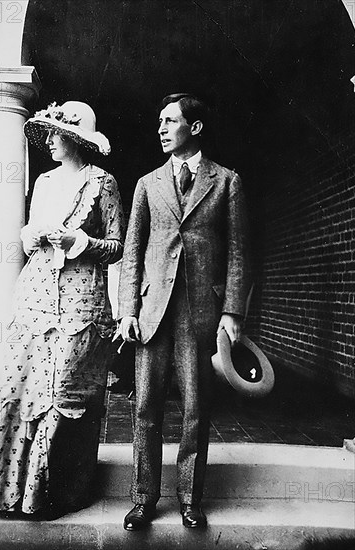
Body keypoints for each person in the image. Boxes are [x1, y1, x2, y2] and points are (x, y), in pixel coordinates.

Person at [0, 101, 124, 519]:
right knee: (17, 385)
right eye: (49, 133)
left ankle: (50, 497)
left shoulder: (102, 183)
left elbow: (118, 246)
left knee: (61, 393)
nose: (50, 141)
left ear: (74, 139)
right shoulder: (43, 181)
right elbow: (29, 240)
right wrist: (32, 236)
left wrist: (82, 242)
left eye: (56, 134)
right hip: (36, 294)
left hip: (79, 300)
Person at [118, 93, 250, 530]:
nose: (160, 128)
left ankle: (190, 500)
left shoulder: (225, 181)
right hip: (153, 311)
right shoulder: (147, 183)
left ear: (194, 128)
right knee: (146, 408)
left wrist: (231, 312)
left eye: (169, 121)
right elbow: (132, 251)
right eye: (158, 121)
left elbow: (237, 250)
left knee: (196, 408)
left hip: (200, 313)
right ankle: (143, 499)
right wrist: (128, 309)